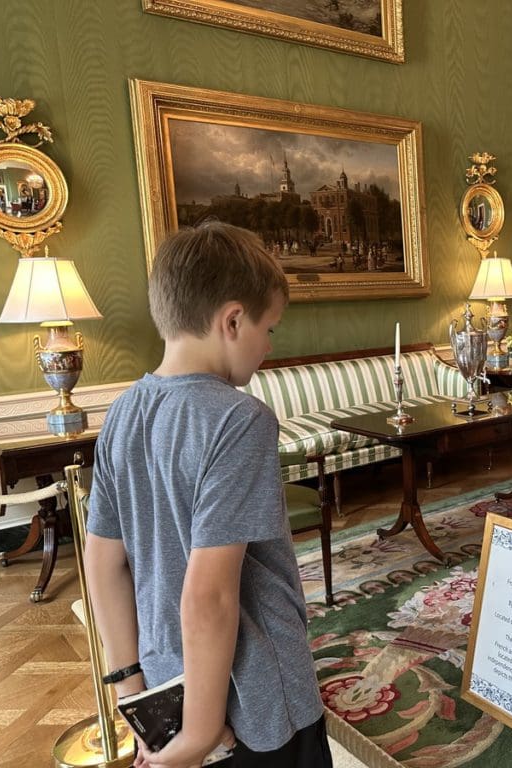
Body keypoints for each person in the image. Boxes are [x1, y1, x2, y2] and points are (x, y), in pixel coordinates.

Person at [84, 222, 332, 767]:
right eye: (270, 328)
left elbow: (102, 562)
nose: (268, 345)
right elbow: (211, 594)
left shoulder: (123, 413)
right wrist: (198, 735)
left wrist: (130, 689)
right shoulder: (239, 419)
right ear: (233, 320)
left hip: (165, 682)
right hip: (255, 697)